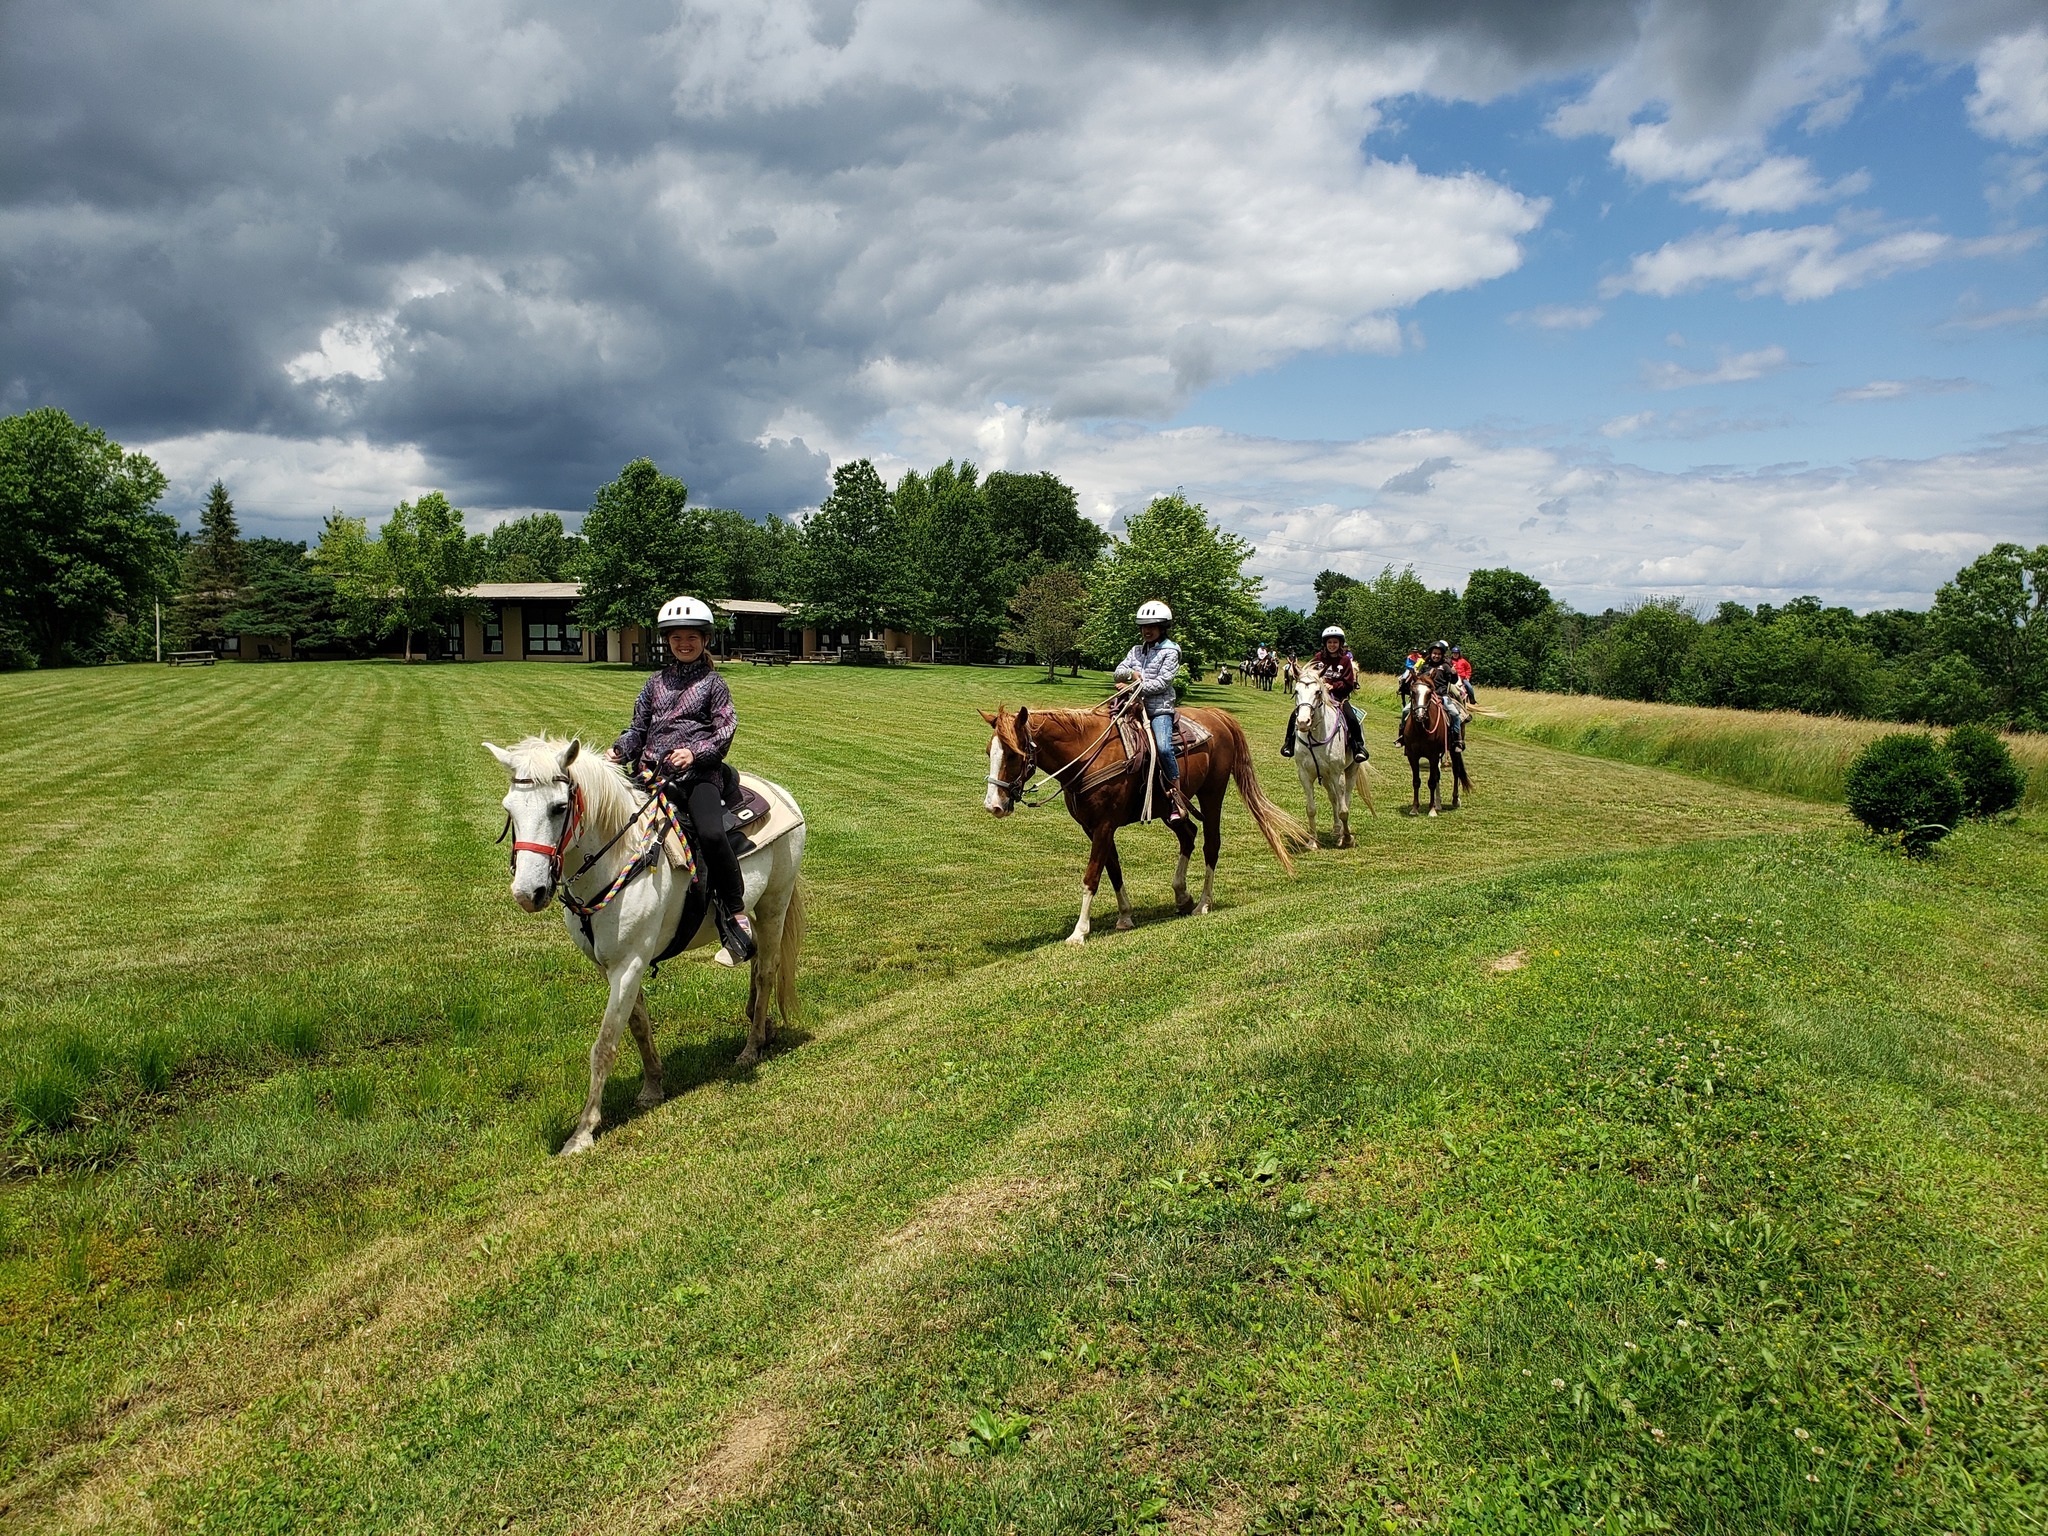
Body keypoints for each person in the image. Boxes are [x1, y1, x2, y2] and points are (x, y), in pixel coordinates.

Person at [606, 595, 755, 961]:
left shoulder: (714, 684)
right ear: (667, 642)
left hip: (699, 776)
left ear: (705, 640)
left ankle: (735, 913)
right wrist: (618, 750)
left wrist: (694, 752)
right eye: (676, 638)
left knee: (710, 833)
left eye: (691, 637)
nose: (683, 644)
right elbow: (637, 729)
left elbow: (726, 729)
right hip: (651, 774)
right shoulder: (654, 684)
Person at [1113, 600, 1189, 823]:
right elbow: (1118, 672)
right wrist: (1130, 676)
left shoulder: (1171, 652)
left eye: (1152, 626)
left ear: (1162, 628)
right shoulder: (1136, 650)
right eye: (1144, 626)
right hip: (1130, 707)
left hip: (1159, 709)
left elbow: (1163, 683)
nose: (1147, 630)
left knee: (1164, 748)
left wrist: (1135, 685)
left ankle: (1176, 796)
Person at [1282, 624, 1367, 764]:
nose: (1332, 645)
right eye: (1329, 642)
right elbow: (1310, 674)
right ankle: (1289, 744)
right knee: (1295, 714)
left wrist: (1333, 686)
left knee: (1351, 717)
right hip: (1318, 695)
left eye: (1335, 642)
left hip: (1339, 698)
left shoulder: (1345, 661)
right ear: (1325, 644)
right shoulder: (1318, 657)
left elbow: (1349, 684)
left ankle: (1358, 747)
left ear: (1340, 643)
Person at [1398, 639, 1465, 750]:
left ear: (1442, 655)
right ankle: (1401, 736)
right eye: (1434, 653)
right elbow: (1418, 679)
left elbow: (1453, 681)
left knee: (1454, 713)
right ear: (1431, 654)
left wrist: (1454, 673)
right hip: (1425, 696)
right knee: (1405, 710)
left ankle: (1457, 739)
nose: (1436, 656)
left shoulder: (1446, 666)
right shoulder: (1425, 666)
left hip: (1441, 696)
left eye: (1439, 654)